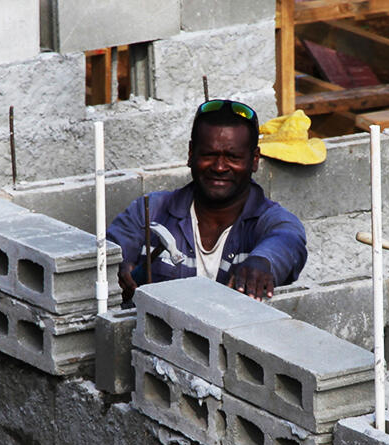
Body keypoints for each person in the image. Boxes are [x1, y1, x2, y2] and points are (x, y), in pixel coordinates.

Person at [107, 99, 307, 302]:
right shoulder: (148, 212)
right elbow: (106, 260)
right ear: (191, 154)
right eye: (209, 155)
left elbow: (288, 240)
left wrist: (262, 262)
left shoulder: (270, 220)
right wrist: (117, 274)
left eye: (233, 157)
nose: (219, 167)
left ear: (254, 160)